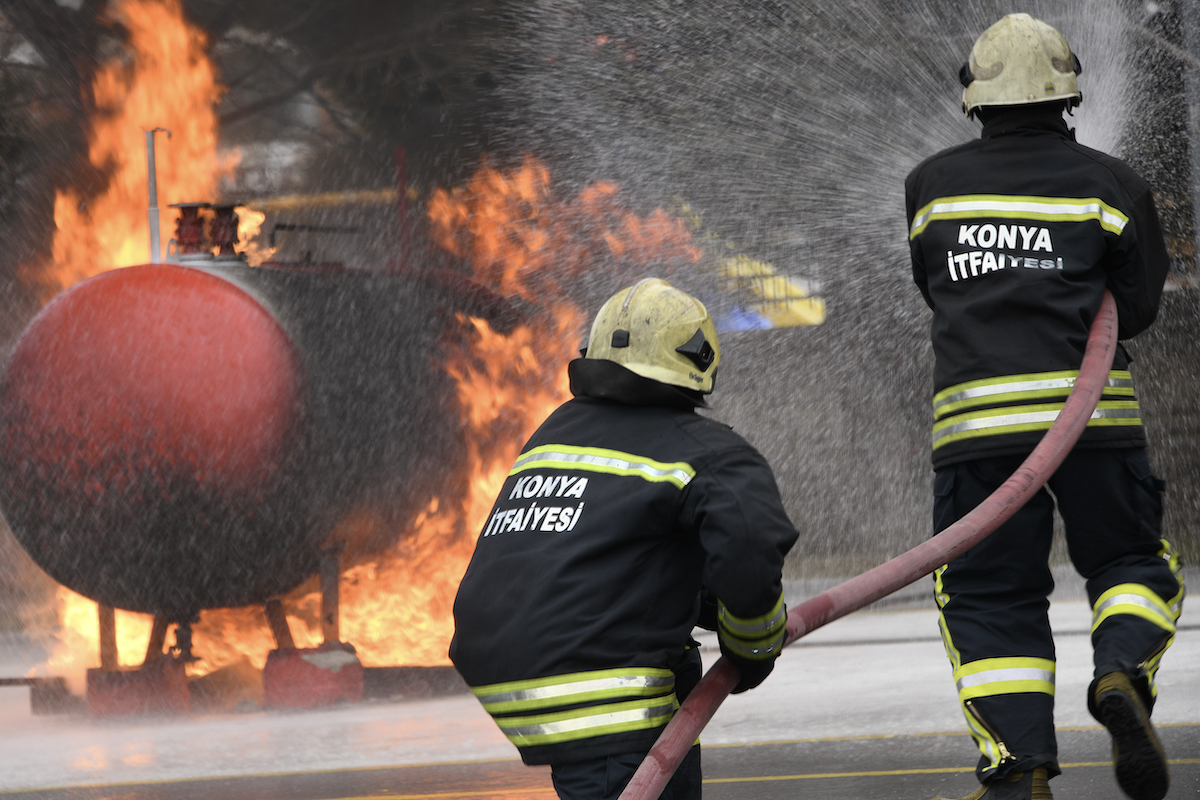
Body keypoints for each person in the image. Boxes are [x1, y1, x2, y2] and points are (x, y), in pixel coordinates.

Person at [904, 13, 1185, 800]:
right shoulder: (1114, 183)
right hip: (1091, 421)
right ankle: (1120, 672)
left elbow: (938, 290)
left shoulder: (927, 187)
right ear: (1068, 94)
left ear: (976, 99)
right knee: (1131, 563)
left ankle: (1019, 766)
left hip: (976, 433)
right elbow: (1134, 310)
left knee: (990, 594)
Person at [449, 278, 799, 800]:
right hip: (606, 695)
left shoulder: (554, 432)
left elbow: (607, 558)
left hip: (515, 678)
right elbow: (749, 553)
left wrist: (698, 601)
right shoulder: (708, 452)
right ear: (699, 358)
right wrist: (753, 648)